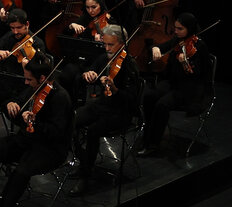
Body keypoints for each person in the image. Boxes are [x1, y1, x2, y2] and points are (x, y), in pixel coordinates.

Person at [0, 56, 72, 207]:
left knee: (21, 171)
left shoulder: (60, 97)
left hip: (50, 149)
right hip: (27, 140)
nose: (25, 82)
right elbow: (14, 101)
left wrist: (35, 123)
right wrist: (11, 104)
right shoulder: (33, 88)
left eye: (29, 79)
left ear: (42, 78)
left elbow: (57, 133)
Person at [69, 24, 141, 195]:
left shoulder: (129, 65)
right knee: (71, 121)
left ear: (122, 44)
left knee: (93, 131)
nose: (107, 48)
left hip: (121, 112)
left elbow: (132, 100)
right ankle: (85, 161)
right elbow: (87, 72)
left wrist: (115, 90)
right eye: (105, 44)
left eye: (111, 45)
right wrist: (87, 75)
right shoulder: (103, 58)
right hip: (102, 105)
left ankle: (85, 175)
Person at [139, 12, 211, 155]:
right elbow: (161, 46)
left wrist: (185, 63)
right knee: (149, 97)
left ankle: (153, 145)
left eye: (180, 29)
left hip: (190, 88)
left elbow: (199, 74)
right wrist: (155, 48)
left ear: (189, 29)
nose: (176, 31)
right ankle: (148, 134)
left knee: (162, 105)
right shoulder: (177, 40)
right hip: (173, 83)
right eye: (175, 28)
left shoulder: (200, 46)